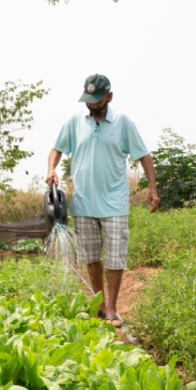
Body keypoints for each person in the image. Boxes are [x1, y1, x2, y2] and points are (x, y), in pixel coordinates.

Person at [46, 74, 160, 328]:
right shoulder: (74, 122)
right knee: (90, 256)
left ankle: (112, 308)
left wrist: (152, 188)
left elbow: (144, 155)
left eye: (98, 101)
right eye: (89, 101)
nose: (93, 106)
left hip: (115, 203)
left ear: (109, 97)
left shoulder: (123, 123)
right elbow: (57, 149)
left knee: (116, 257)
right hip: (84, 203)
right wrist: (51, 169)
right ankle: (99, 304)